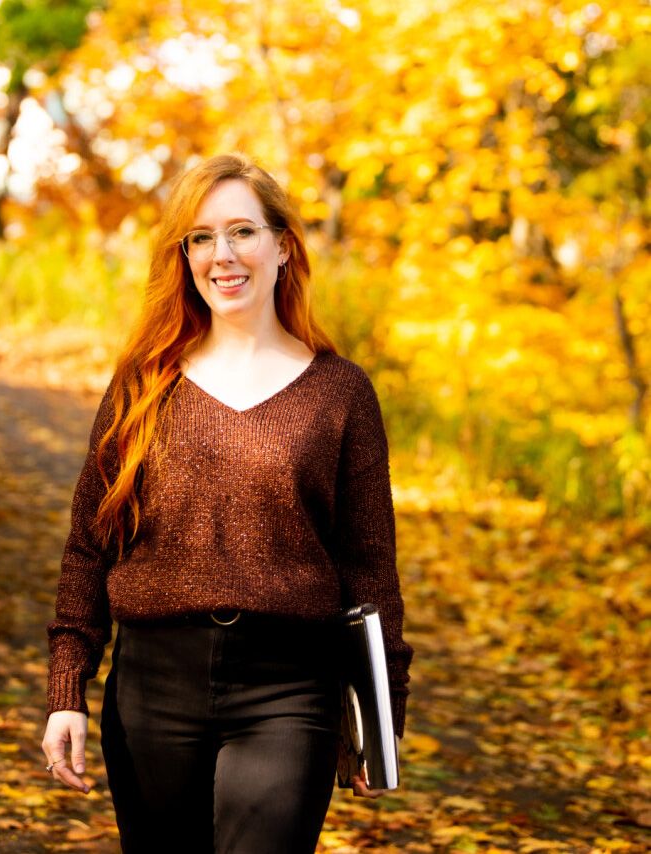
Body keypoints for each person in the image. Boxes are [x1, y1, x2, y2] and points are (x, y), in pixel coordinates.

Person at [40, 153, 414, 853]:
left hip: (290, 690)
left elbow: (369, 566)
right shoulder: (142, 386)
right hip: (152, 687)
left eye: (242, 231)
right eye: (201, 237)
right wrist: (68, 689)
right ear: (183, 257)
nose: (223, 255)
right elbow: (89, 548)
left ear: (282, 245)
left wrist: (380, 708)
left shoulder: (340, 393)